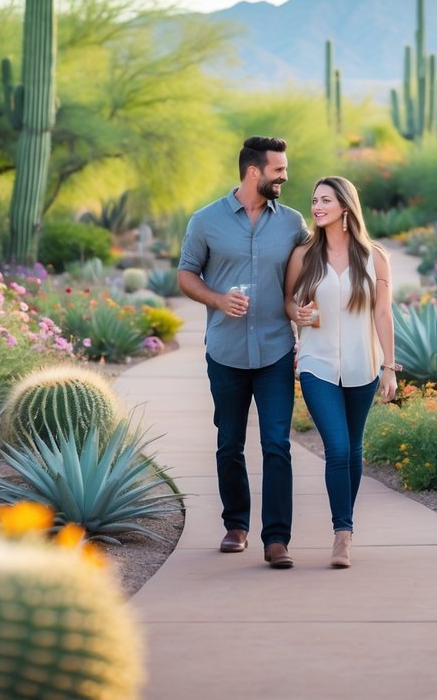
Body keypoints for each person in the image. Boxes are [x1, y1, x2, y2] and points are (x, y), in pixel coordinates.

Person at [177, 136, 309, 569]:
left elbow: (320, 259)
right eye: (279, 170)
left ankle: (276, 539)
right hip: (226, 351)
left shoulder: (292, 223)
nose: (285, 177)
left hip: (274, 349)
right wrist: (217, 300)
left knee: (276, 444)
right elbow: (186, 274)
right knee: (229, 443)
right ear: (254, 172)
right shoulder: (206, 220)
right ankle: (236, 526)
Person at [285, 176, 397, 569]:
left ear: (345, 207)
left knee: (354, 449)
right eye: (314, 200)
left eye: (325, 200)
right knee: (336, 448)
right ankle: (342, 534)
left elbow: (382, 313)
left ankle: (344, 528)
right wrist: (295, 313)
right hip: (316, 365)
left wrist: (389, 367)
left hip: (362, 365)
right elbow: (290, 301)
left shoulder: (374, 257)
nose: (317, 207)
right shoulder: (304, 255)